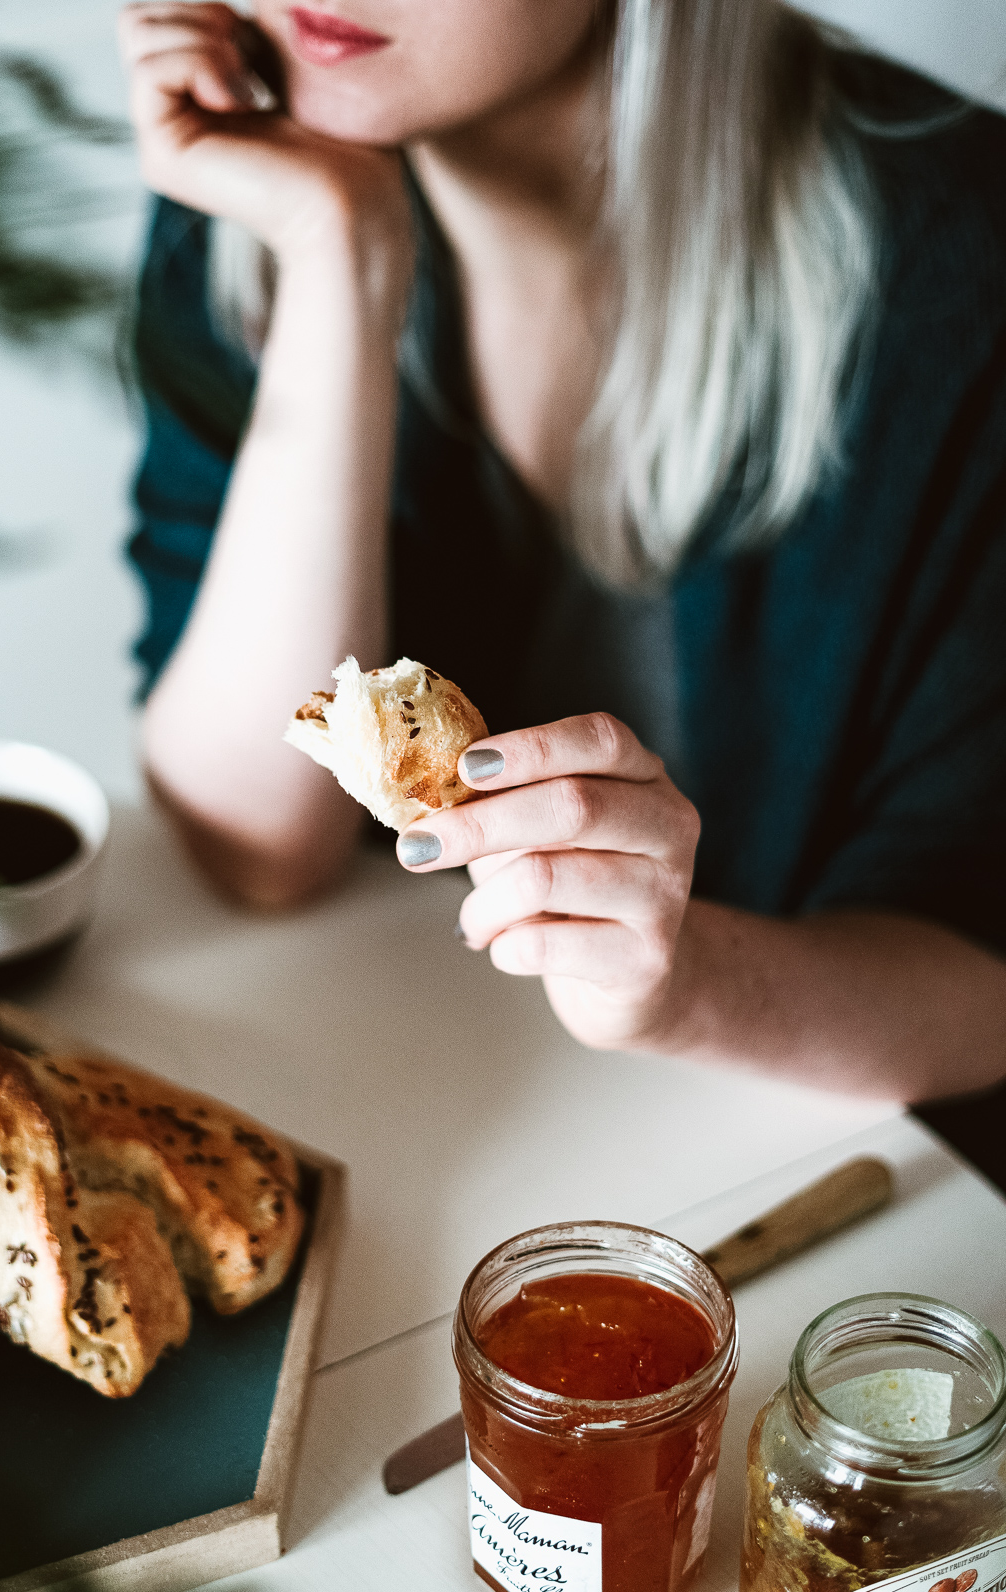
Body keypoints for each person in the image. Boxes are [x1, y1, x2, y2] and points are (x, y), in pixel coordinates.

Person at [117, 0, 1006, 1103]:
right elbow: (255, 843)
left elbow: (979, 976)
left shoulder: (962, 261)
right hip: (418, 1083)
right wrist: (334, 257)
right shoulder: (258, 189)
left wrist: (676, 982)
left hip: (803, 1132)